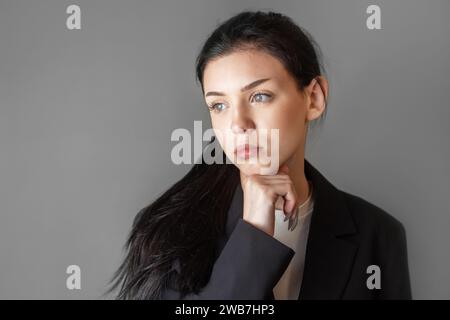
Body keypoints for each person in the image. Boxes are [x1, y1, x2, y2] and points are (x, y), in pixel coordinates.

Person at [106, 10, 412, 300]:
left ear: (314, 98)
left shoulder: (378, 235)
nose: (238, 124)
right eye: (219, 105)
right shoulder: (170, 232)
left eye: (259, 96)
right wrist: (254, 231)